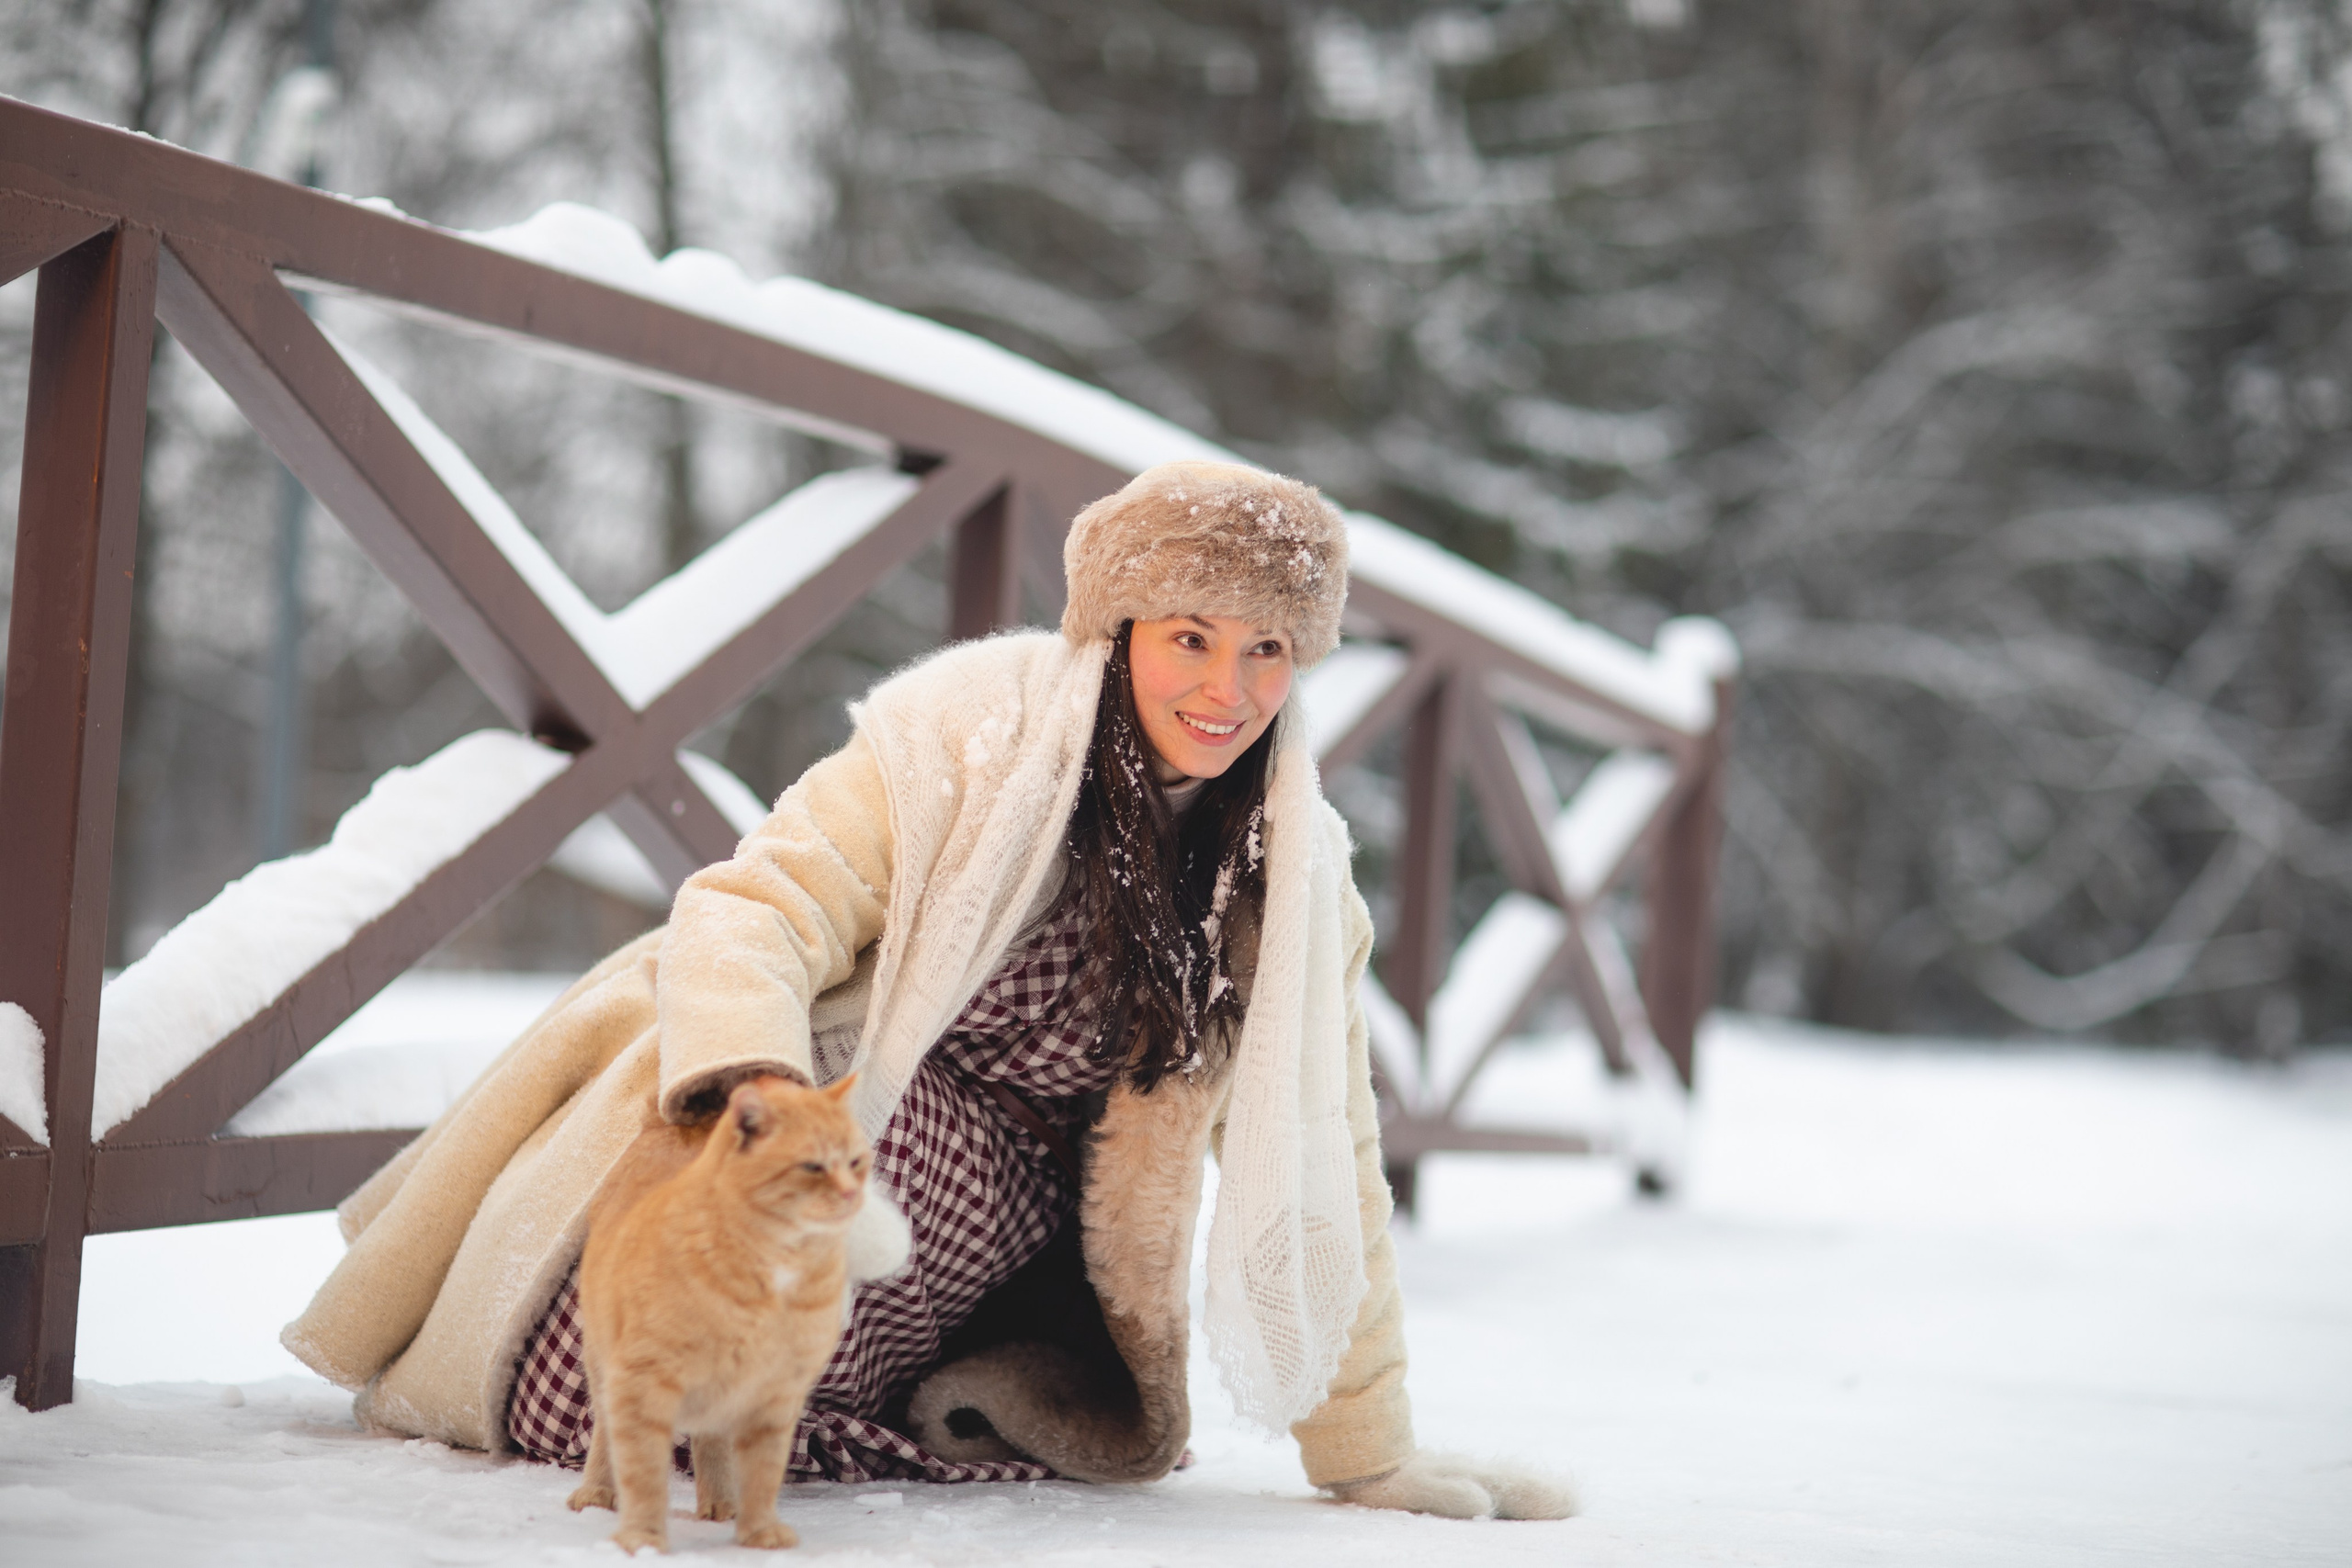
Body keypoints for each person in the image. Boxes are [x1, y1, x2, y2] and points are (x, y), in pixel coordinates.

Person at [283, 460, 1571, 1521]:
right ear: (1119, 632)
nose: (1226, 692)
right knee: (589, 1396)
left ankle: (850, 1391)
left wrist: (1366, 1447)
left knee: (732, 1389)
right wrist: (767, 1098)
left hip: (1019, 1228)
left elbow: (1321, 1150)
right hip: (812, 1116)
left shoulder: (1290, 878)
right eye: (1190, 639)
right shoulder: (970, 733)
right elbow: (753, 907)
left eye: (1270, 650)